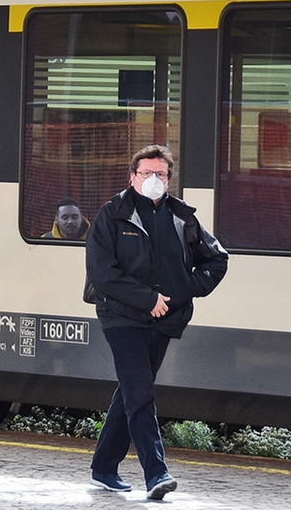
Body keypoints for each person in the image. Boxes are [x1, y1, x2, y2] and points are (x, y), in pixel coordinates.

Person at [85, 144, 227, 500]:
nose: (153, 179)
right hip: (120, 317)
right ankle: (156, 474)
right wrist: (147, 299)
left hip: (163, 319)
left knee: (132, 392)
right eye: (146, 173)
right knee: (140, 392)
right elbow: (102, 273)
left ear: (168, 179)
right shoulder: (112, 214)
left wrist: (179, 294)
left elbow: (216, 260)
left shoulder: (182, 217)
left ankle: (103, 467)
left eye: (160, 174)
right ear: (132, 176)